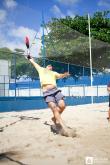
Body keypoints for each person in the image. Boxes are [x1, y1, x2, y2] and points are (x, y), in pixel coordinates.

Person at [27, 55, 70, 130]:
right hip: (47, 92)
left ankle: (54, 118)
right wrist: (30, 59)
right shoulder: (41, 69)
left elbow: (60, 75)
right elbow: (33, 63)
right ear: (46, 67)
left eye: (51, 66)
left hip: (55, 91)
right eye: (48, 65)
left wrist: (64, 74)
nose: (50, 66)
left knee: (62, 106)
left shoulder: (53, 73)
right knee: (54, 108)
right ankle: (64, 127)